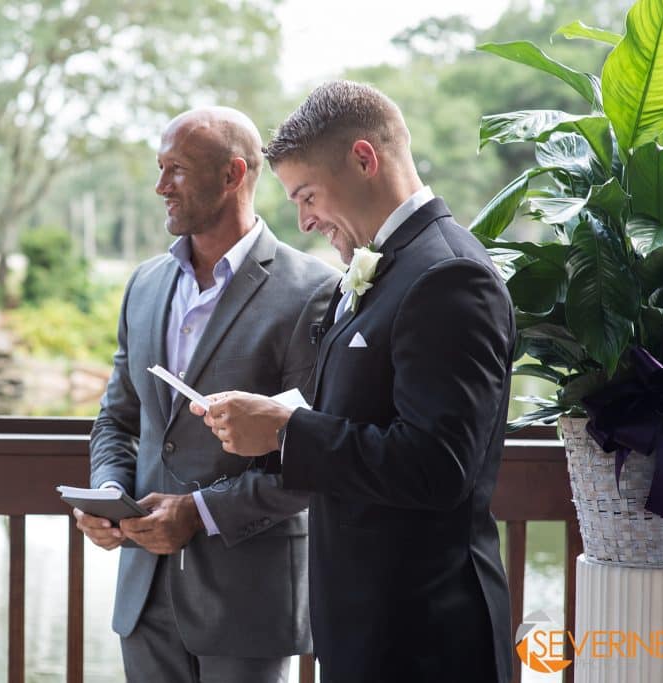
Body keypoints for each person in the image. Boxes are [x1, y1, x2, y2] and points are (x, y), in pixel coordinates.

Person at [194, 81, 515, 683]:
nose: (304, 219)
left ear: (365, 159)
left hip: (423, 633)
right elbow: (361, 416)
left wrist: (289, 432)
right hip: (365, 624)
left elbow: (437, 465)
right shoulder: (381, 265)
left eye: (308, 194)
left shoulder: (448, 276)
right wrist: (273, 423)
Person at [79, 106, 338, 682]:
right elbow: (117, 421)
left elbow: (314, 456)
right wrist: (108, 494)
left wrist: (199, 513)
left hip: (248, 599)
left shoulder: (313, 292)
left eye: (176, 169)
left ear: (233, 175)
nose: (160, 185)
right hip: (142, 595)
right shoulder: (144, 284)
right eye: (160, 167)